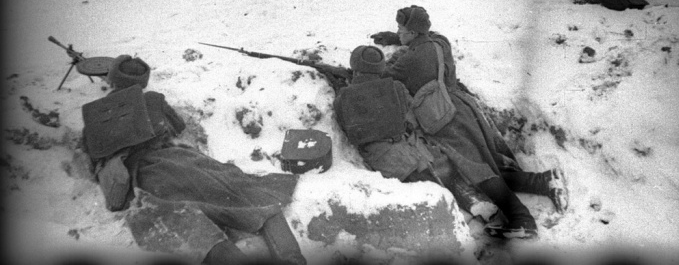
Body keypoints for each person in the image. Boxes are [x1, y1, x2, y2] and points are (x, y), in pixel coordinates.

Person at [81, 55, 306, 265]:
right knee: (249, 195)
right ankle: (291, 256)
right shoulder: (153, 100)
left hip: (144, 175)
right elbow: (177, 127)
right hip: (181, 160)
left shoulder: (94, 117)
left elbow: (93, 159)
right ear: (143, 80)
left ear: (111, 79)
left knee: (184, 221)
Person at [370, 6, 568, 239]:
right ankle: (543, 181)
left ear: (412, 33)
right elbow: (423, 41)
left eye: (401, 30)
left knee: (477, 169)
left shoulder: (409, 61)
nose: (398, 32)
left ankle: (521, 219)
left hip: (443, 117)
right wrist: (397, 38)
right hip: (463, 107)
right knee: (487, 162)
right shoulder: (439, 42)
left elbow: (378, 76)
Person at [332, 45, 496, 221]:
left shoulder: (343, 96)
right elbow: (411, 116)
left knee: (424, 181)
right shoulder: (396, 87)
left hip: (383, 156)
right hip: (409, 145)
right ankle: (471, 203)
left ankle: (458, 214)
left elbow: (347, 124)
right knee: (442, 169)